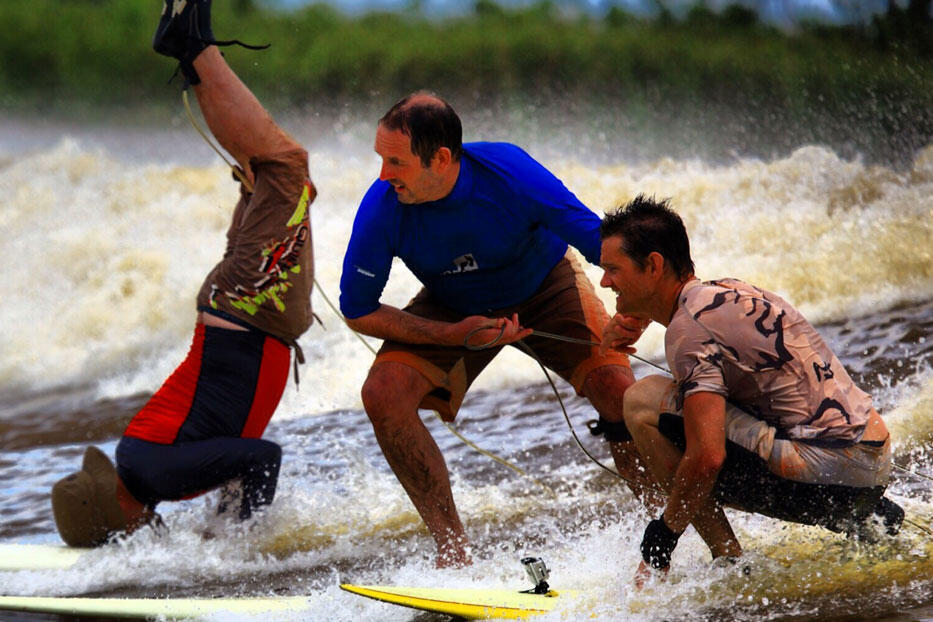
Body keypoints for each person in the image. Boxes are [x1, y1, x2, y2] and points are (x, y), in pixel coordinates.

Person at [338, 92, 654, 568]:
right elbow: (357, 308)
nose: (384, 175)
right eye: (381, 159)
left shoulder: (509, 172)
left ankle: (660, 528)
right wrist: (450, 335)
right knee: (383, 394)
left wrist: (635, 312)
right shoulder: (384, 205)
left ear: (440, 159)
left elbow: (601, 242)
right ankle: (453, 554)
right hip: (453, 305)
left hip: (545, 284)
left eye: (396, 162)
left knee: (617, 390)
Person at [50, 0, 316, 547]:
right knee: (270, 169)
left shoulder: (154, 475)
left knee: (285, 167)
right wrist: (222, 530)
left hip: (248, 303)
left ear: (118, 517)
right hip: (239, 307)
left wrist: (241, 549)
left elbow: (261, 456)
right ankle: (193, 50)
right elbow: (236, 458)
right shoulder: (147, 468)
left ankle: (195, 47)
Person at [597, 195, 904, 585]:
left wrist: (663, 537)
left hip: (826, 478)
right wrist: (634, 315)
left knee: (641, 401)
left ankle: (729, 561)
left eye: (613, 269)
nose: (605, 282)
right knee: (692, 400)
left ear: (654, 265)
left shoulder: (688, 331)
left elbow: (708, 457)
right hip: (871, 466)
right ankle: (862, 513)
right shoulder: (728, 291)